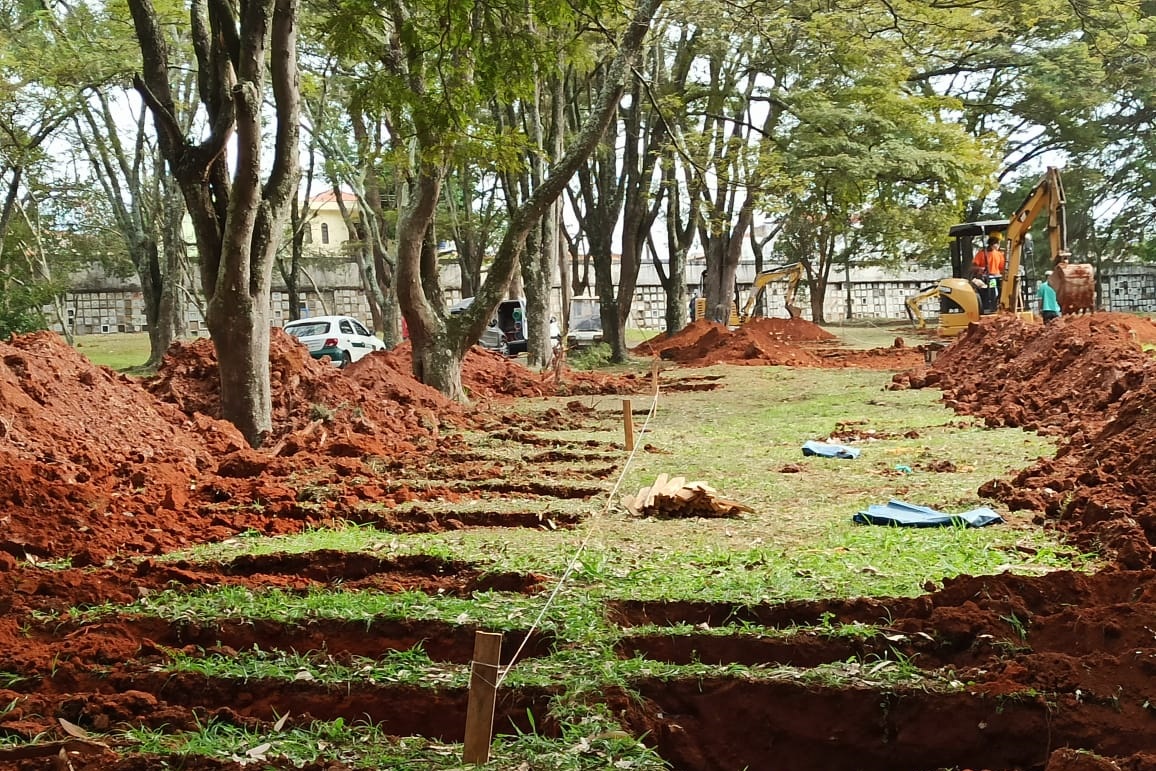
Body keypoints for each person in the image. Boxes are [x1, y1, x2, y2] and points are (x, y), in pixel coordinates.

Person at [972, 235, 1006, 312]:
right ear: (993, 244)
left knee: (1002, 291)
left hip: (998, 277)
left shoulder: (999, 254)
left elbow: (1002, 268)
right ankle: (992, 307)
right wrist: (981, 269)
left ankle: (1000, 306)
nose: (998, 246)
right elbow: (974, 266)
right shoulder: (981, 254)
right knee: (993, 291)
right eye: (998, 244)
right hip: (988, 278)